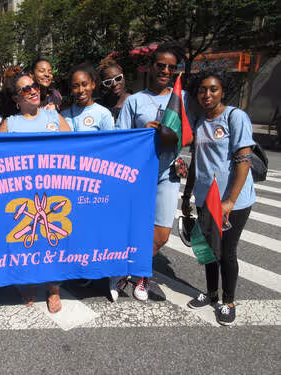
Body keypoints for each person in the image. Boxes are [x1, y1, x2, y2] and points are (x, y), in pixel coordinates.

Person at [116, 42, 190, 301]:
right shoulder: (134, 101)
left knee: (161, 234)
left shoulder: (182, 98)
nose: (166, 71)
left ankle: (138, 272)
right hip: (137, 175)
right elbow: (121, 139)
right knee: (132, 228)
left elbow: (189, 135)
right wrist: (143, 131)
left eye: (172, 67)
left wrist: (177, 149)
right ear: (150, 67)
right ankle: (128, 272)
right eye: (161, 65)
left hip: (167, 174)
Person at [182, 70, 255, 325]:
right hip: (206, 199)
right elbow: (196, 163)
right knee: (208, 251)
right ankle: (211, 293)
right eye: (202, 90)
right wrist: (187, 194)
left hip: (232, 200)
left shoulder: (236, 117)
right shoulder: (200, 121)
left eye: (213, 89)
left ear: (222, 91)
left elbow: (244, 160)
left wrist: (230, 202)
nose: (207, 94)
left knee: (226, 252)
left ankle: (228, 300)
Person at [0, 74, 70, 313]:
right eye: (25, 88)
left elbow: (77, 145)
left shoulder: (53, 116)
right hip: (20, 191)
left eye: (35, 86)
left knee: (53, 240)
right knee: (25, 239)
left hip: (53, 188)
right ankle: (28, 283)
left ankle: (53, 289)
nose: (32, 90)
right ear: (17, 98)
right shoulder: (10, 123)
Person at [61, 63, 114, 131]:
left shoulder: (103, 114)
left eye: (85, 84)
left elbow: (109, 140)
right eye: (75, 86)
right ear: (71, 88)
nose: (81, 90)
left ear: (93, 85)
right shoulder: (64, 115)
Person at [97, 57, 131, 122]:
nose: (114, 84)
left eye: (118, 78)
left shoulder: (135, 102)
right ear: (102, 85)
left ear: (124, 78)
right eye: (108, 82)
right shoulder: (98, 106)